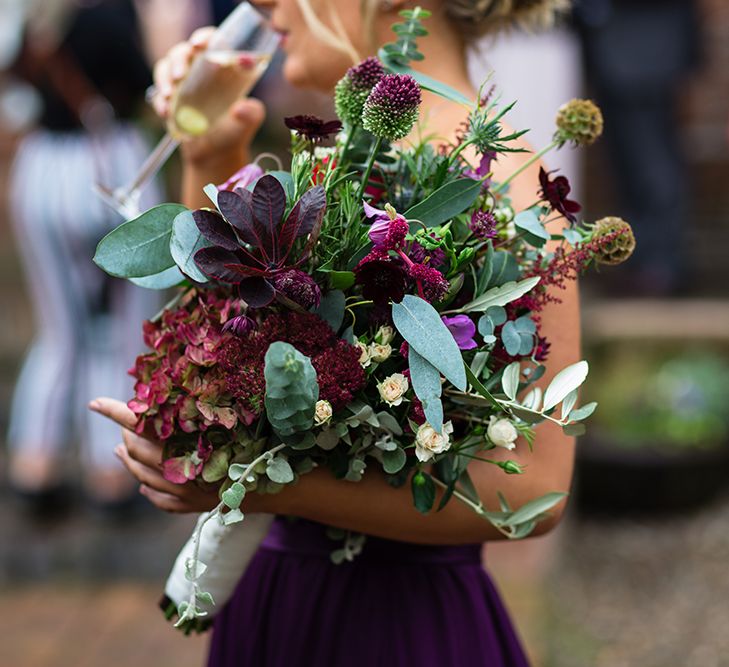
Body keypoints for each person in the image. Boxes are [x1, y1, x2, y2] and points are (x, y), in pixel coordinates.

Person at [91, 0, 580, 664]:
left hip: (398, 628)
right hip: (276, 599)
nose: (257, 4)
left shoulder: (512, 200)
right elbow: (223, 341)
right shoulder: (333, 166)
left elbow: (533, 492)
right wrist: (211, 150)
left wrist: (253, 480)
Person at [4, 0, 162, 507]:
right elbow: (147, 88)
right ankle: (110, 473)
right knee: (119, 329)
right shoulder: (109, 16)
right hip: (106, 168)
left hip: (41, 170)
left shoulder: (44, 19)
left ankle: (34, 465)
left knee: (60, 331)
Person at [573, 0, 701, 295]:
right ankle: (645, 261)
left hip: (647, 45)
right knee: (630, 160)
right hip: (618, 45)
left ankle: (661, 265)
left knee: (652, 159)